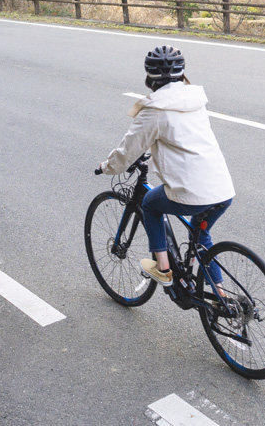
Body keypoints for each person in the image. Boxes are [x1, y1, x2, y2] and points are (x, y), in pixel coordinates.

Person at [98, 46, 235, 287]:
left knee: (149, 204)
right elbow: (181, 143)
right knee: (201, 235)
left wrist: (108, 167)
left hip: (194, 193)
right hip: (222, 189)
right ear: (182, 74)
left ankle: (163, 269)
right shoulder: (194, 100)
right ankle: (223, 299)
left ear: (150, 77)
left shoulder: (154, 111)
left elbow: (127, 151)